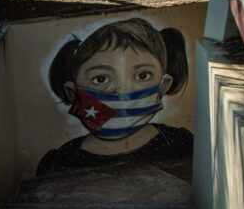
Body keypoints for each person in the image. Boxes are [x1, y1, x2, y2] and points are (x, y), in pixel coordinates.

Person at [36, 17, 193, 176]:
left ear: (163, 86)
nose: (121, 90)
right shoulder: (60, 162)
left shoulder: (180, 144)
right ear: (73, 93)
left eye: (143, 75)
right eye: (101, 79)